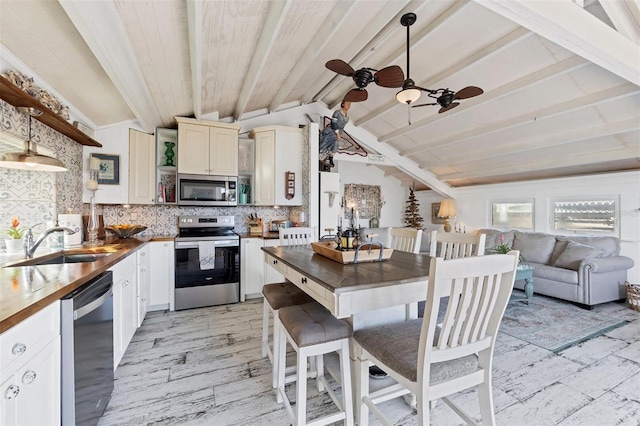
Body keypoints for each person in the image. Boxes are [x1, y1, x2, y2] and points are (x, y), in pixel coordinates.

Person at [319, 100, 351, 167]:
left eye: (350, 103)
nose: (349, 105)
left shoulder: (347, 117)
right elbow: (333, 123)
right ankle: (321, 156)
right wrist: (337, 133)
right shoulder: (337, 112)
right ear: (343, 104)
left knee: (335, 144)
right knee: (326, 144)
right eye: (347, 103)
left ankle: (330, 158)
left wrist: (340, 134)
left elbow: (342, 127)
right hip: (331, 132)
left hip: (338, 133)